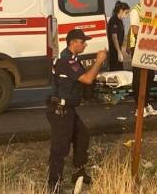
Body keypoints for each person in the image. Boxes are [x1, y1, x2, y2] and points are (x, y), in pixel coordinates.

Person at [46, 29, 107, 192]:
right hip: (60, 109)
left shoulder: (73, 59)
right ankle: (54, 185)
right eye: (82, 41)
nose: (85, 44)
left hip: (68, 108)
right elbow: (87, 79)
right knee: (60, 147)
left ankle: (78, 172)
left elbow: (85, 79)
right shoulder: (66, 61)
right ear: (73, 42)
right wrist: (99, 61)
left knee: (82, 136)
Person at [128, 3, 157, 117]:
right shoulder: (136, 10)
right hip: (138, 46)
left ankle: (145, 103)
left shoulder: (152, 11)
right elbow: (135, 30)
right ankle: (138, 107)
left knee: (150, 75)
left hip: (149, 46)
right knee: (139, 77)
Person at [107, 1, 130, 71]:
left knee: (120, 69)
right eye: (126, 12)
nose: (127, 15)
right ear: (121, 11)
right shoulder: (114, 20)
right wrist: (118, 51)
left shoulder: (119, 21)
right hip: (114, 51)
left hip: (117, 49)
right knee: (116, 70)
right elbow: (114, 37)